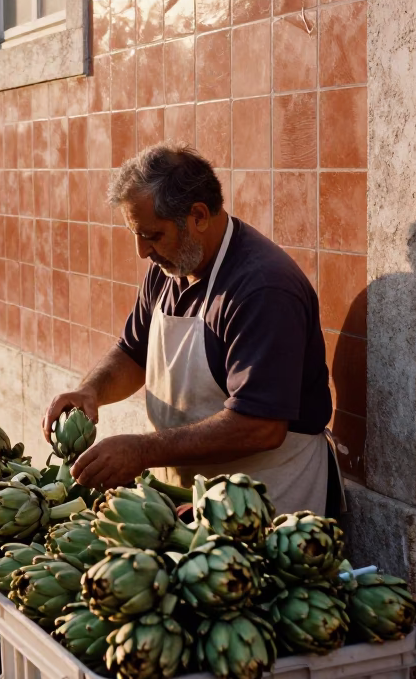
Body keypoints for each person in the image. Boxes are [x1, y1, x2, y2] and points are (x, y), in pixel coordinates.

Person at [42, 144, 341, 515]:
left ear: (198, 215)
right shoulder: (170, 266)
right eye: (137, 235)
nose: (141, 251)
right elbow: (132, 352)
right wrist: (90, 390)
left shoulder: (263, 289)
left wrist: (142, 450)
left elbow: (260, 426)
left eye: (151, 235)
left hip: (268, 503)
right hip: (195, 498)